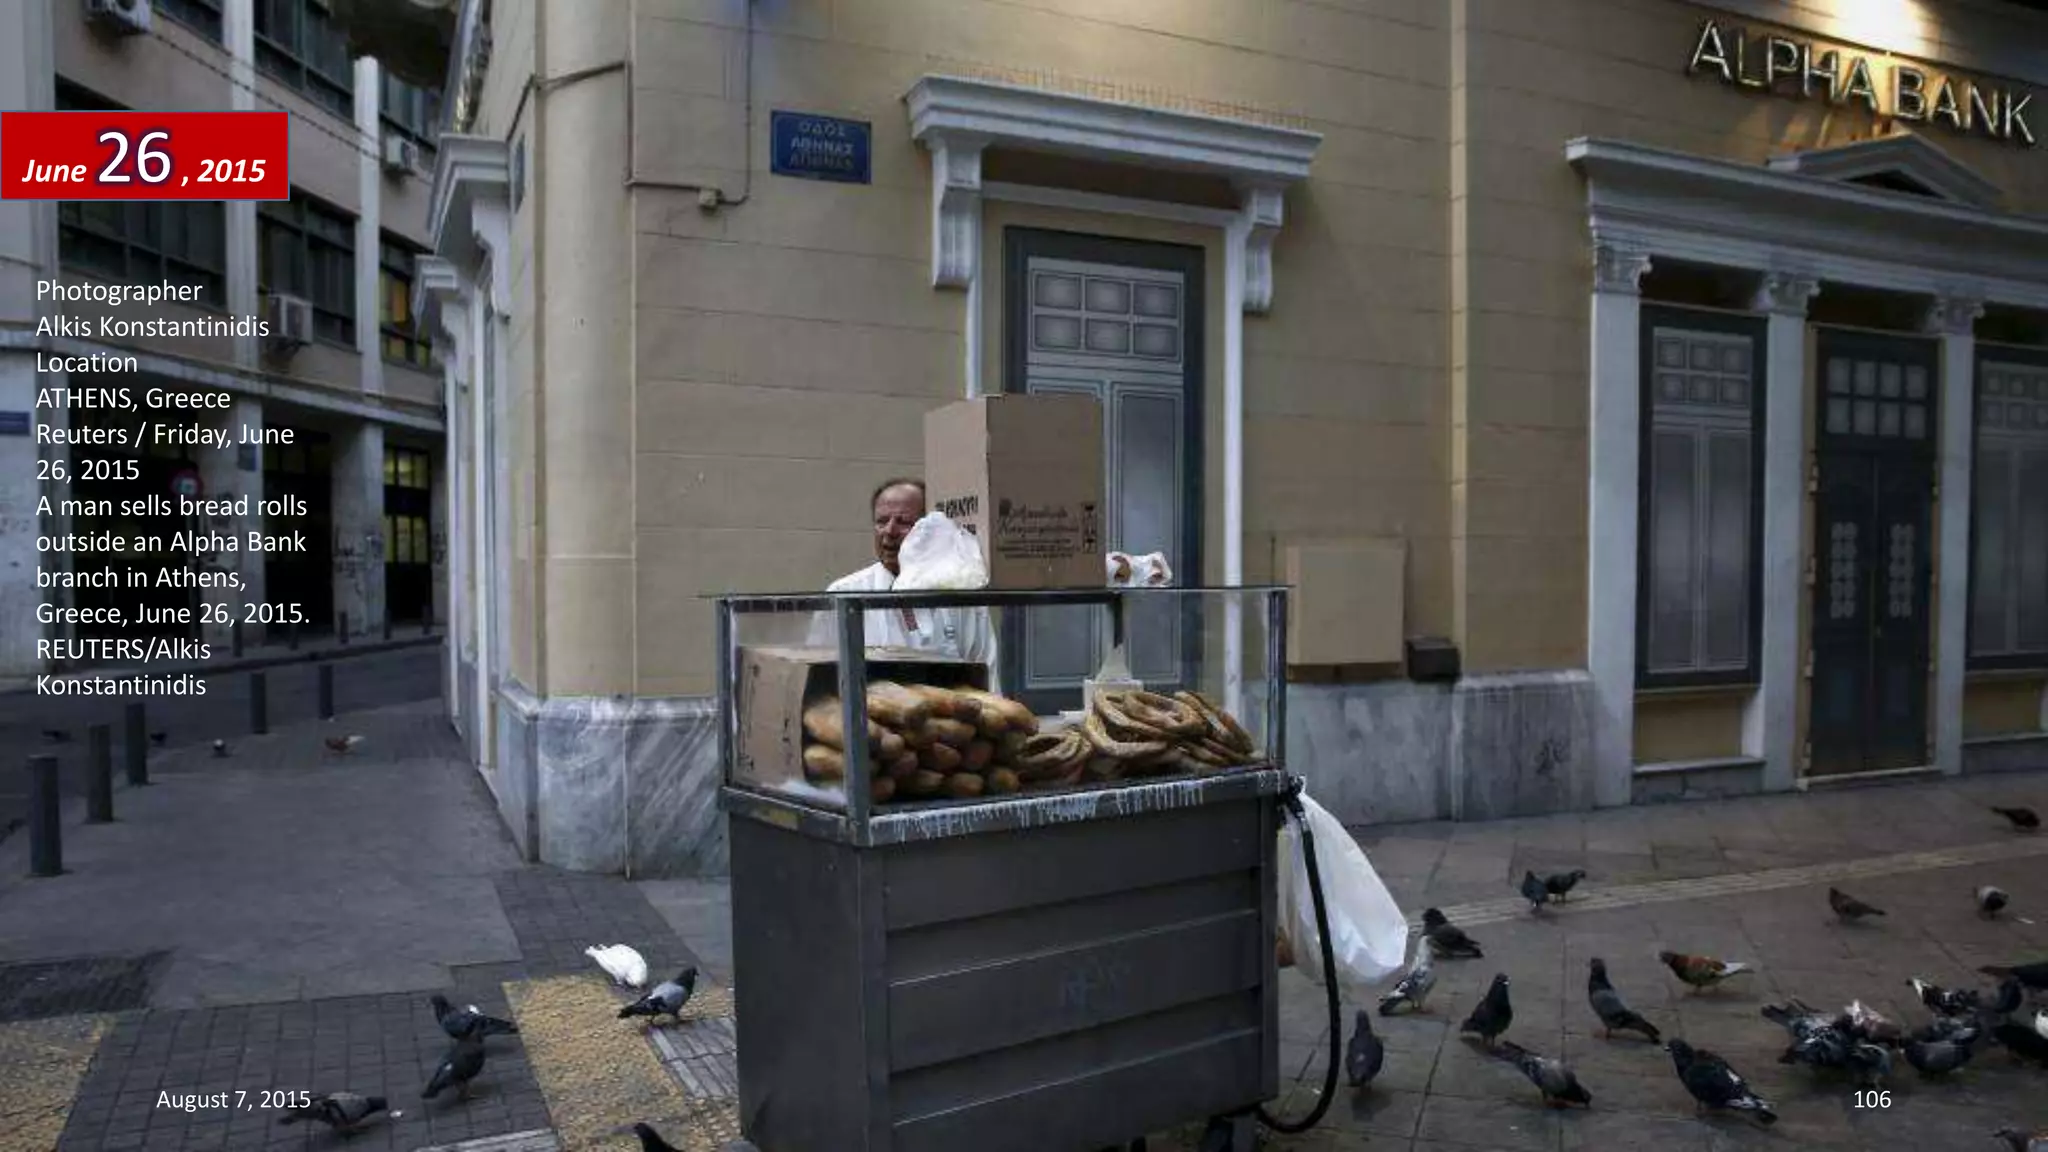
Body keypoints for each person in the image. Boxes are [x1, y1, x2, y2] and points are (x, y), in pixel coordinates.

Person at [811, 478, 999, 686]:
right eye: (882, 521)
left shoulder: (963, 598)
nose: (889, 532)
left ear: (928, 528)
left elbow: (989, 676)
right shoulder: (844, 595)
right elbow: (819, 681)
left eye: (904, 522)